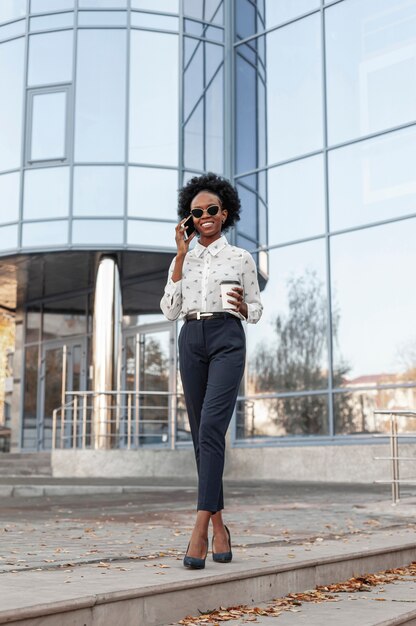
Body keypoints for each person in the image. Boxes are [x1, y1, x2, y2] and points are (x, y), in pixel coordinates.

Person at [160, 172, 263, 569]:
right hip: (191, 337)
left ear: (225, 213)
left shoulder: (241, 258)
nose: (204, 215)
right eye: (196, 211)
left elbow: (255, 309)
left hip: (226, 337)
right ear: (189, 218)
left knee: (210, 430)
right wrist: (181, 255)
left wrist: (243, 310)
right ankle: (221, 528)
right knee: (200, 435)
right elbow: (169, 311)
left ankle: (199, 529)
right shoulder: (180, 260)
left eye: (212, 209)